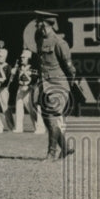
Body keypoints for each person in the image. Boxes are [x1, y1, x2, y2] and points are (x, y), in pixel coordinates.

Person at [34, 10, 77, 161]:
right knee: (47, 119)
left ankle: (51, 154)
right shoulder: (38, 38)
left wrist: (68, 85)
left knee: (52, 118)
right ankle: (65, 149)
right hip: (44, 84)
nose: (36, 24)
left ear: (45, 24)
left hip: (58, 84)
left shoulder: (59, 43)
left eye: (38, 22)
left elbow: (69, 67)